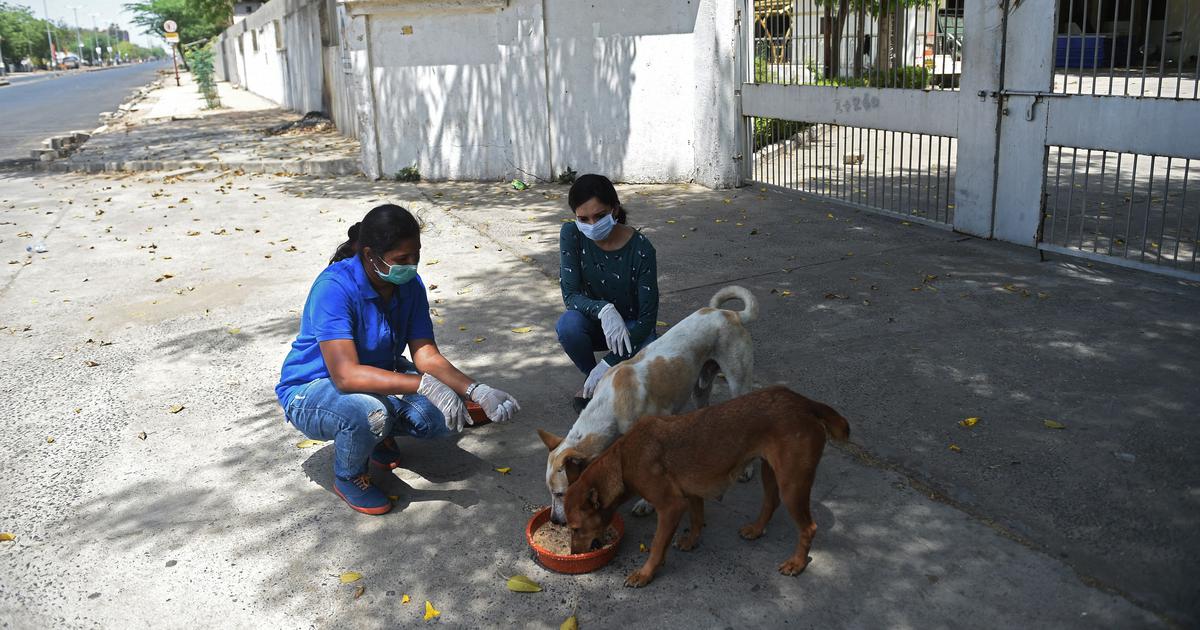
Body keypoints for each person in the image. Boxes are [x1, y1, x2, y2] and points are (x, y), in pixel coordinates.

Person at [276, 204, 520, 515]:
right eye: (402, 259)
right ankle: (349, 476)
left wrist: (476, 390)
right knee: (371, 413)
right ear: (370, 255)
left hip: (376, 376)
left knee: (442, 418)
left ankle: (379, 437)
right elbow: (345, 375)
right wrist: (422, 385)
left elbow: (426, 353)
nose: (412, 265)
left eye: (416, 256)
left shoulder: (409, 285)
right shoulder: (334, 288)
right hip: (313, 389)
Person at [556, 174, 659, 413]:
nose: (592, 225)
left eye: (600, 216)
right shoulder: (572, 234)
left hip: (633, 329)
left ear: (615, 210)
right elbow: (570, 295)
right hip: (595, 324)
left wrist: (607, 363)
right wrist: (603, 309)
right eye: (583, 219)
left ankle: (605, 374)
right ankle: (591, 378)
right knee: (568, 325)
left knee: (649, 349)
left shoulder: (642, 249)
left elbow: (647, 319)